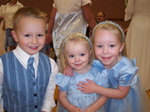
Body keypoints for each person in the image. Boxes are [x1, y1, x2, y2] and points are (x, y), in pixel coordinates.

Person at [65, 21, 150, 112]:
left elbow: (121, 94)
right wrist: (70, 68)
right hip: (102, 96)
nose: (105, 51)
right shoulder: (97, 62)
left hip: (121, 102)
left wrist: (96, 88)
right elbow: (81, 65)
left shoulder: (126, 68)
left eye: (112, 46)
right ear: (93, 47)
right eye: (100, 46)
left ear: (121, 47)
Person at [0, 6, 58, 112]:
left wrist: (45, 109)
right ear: (15, 35)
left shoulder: (51, 64)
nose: (34, 41)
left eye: (40, 35)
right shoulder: (2, 64)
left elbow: (49, 94)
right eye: (27, 35)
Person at [55, 33, 108, 112]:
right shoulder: (67, 76)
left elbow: (104, 95)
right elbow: (62, 96)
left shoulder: (97, 73)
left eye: (82, 54)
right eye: (71, 56)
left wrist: (92, 108)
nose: (77, 59)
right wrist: (71, 108)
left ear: (89, 54)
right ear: (65, 57)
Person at [124, 0, 150, 90]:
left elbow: (129, 10)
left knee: (134, 51)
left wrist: (127, 15)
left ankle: (132, 80)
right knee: (147, 53)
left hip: (137, 24)